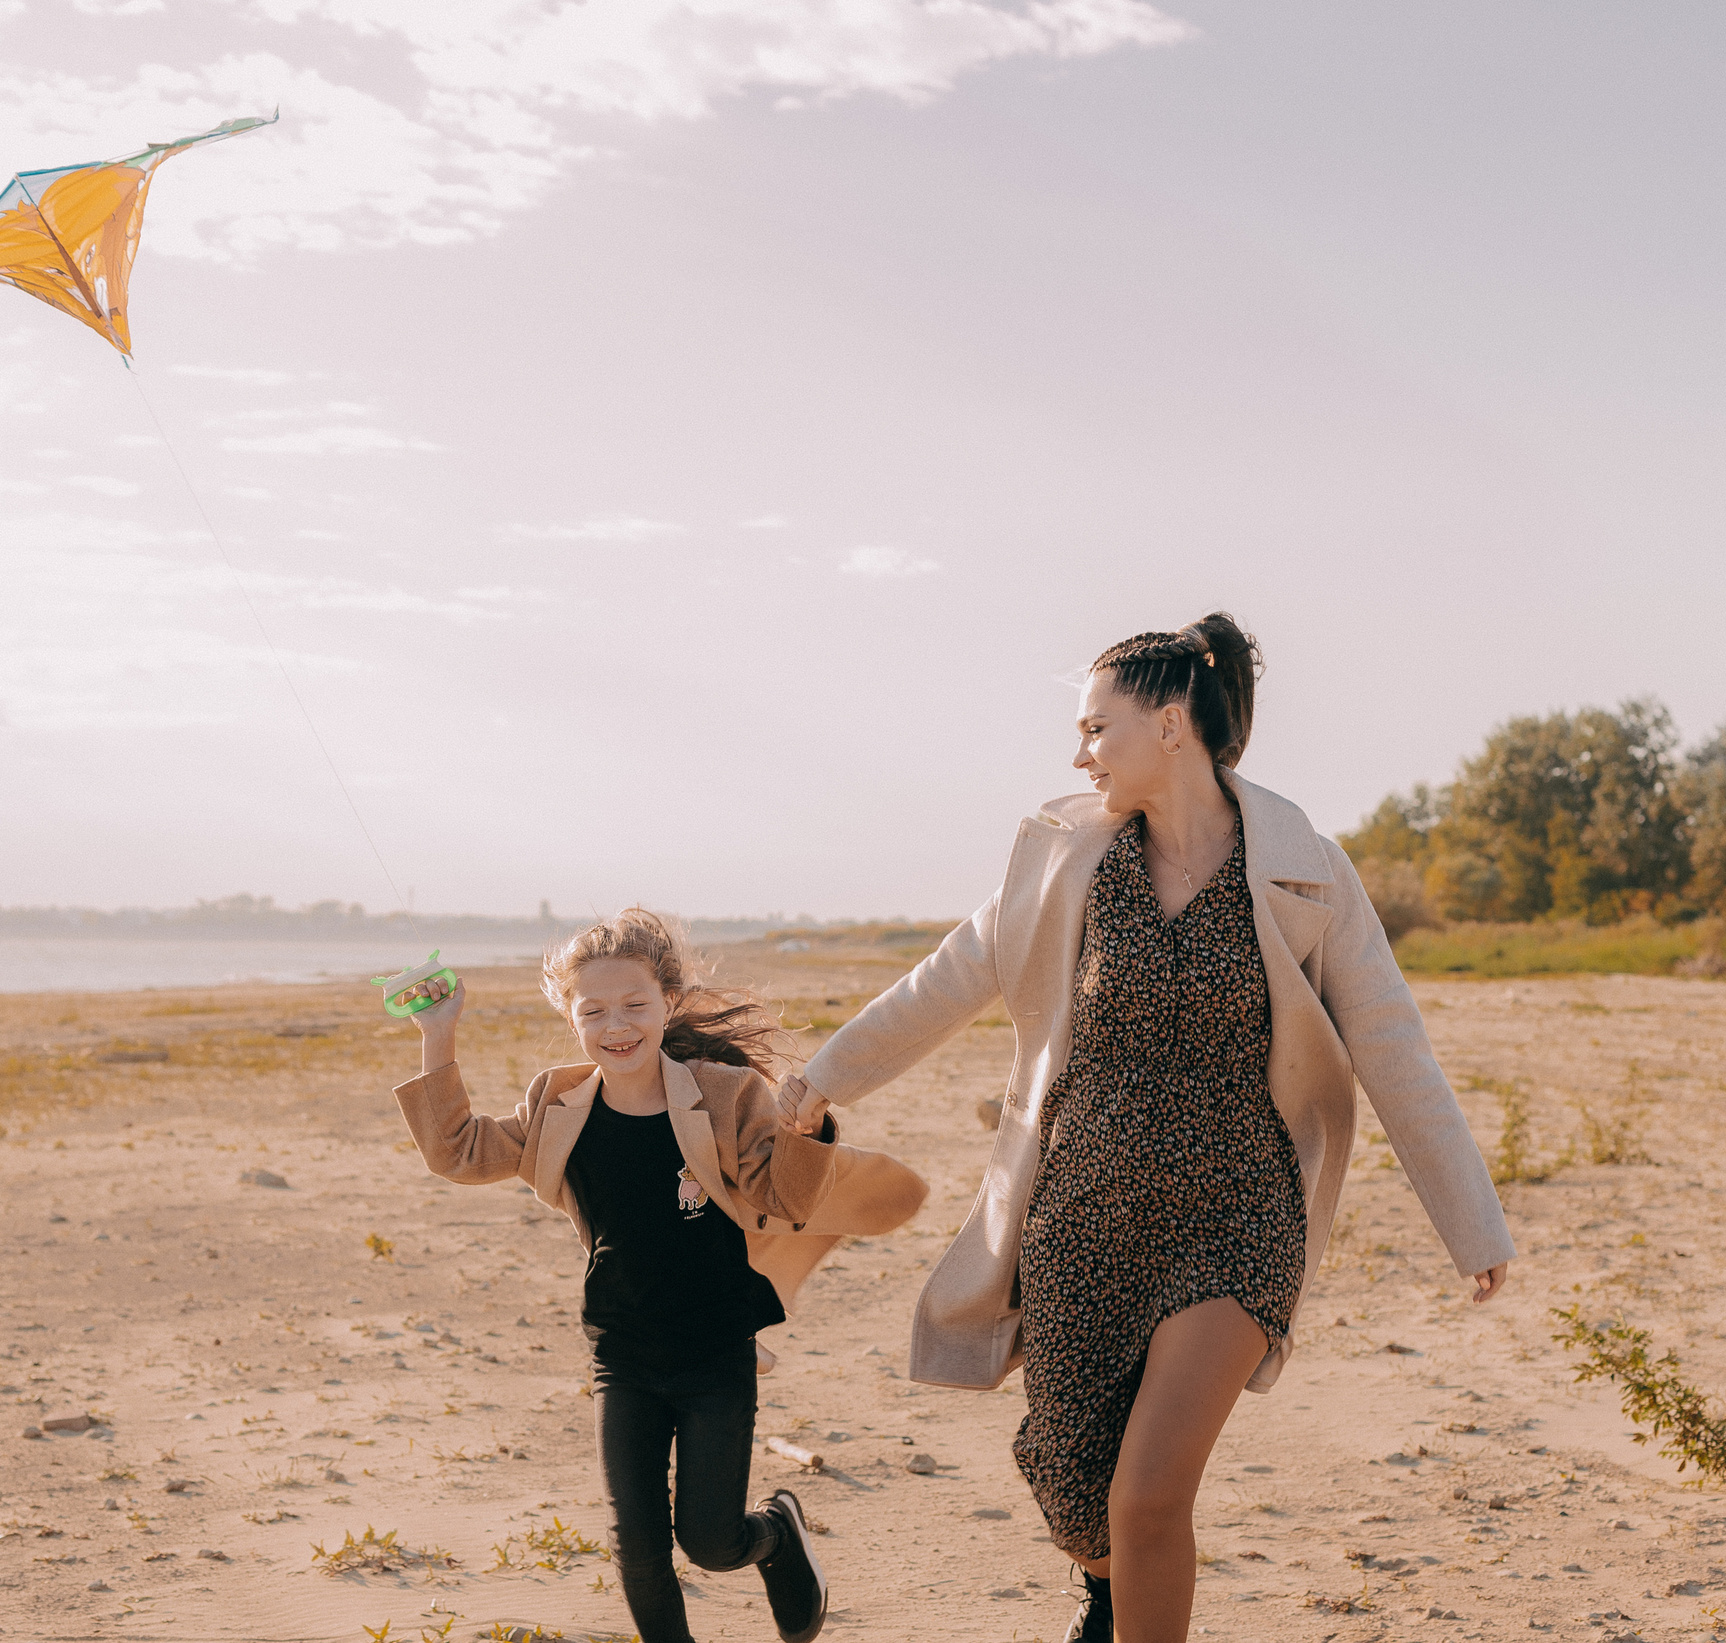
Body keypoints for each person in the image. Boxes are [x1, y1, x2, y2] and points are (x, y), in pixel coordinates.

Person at [775, 613, 1515, 1643]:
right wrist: (819, 1075)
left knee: (1148, 1497)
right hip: (1078, 1214)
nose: (1077, 753)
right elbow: (945, 980)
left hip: (1234, 1217)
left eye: (1094, 727)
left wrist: (1471, 1223)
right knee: (1067, 1476)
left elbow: (1392, 1046)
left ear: (1171, 724)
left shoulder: (1305, 870)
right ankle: (1111, 1602)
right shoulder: (1064, 859)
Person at [391, 909, 926, 1643]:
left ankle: (775, 1530)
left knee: (710, 1541)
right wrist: (437, 1030)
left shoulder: (725, 1092)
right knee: (638, 1550)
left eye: (635, 1004)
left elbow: (786, 1199)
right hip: (623, 1353)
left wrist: (805, 1133)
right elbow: (457, 1149)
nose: (617, 1024)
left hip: (714, 1354)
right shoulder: (557, 1103)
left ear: (668, 1002)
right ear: (571, 1015)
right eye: (594, 1009)